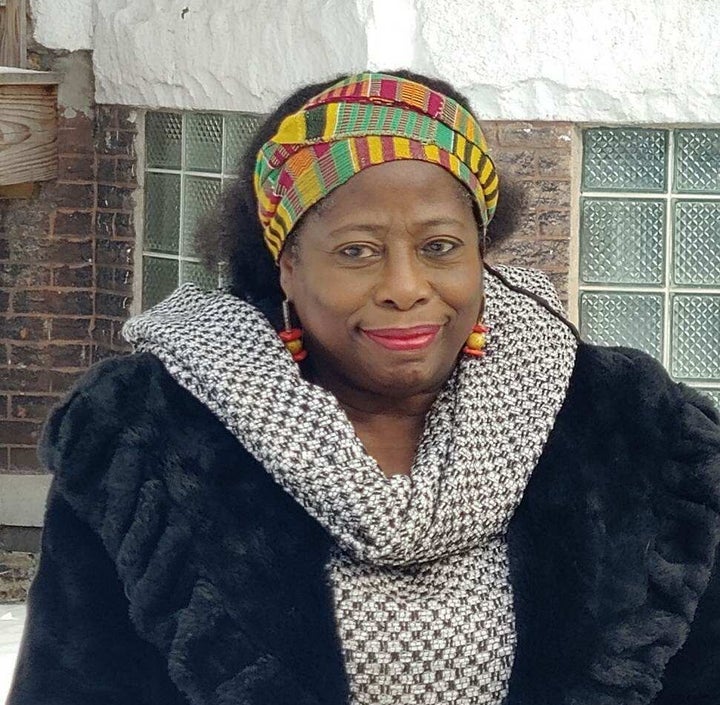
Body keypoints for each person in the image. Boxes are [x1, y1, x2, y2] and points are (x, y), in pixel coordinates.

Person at [7, 70, 720, 705]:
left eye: (440, 246)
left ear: (481, 250)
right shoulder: (146, 445)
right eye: (357, 251)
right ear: (287, 262)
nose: (406, 288)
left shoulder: (637, 433)